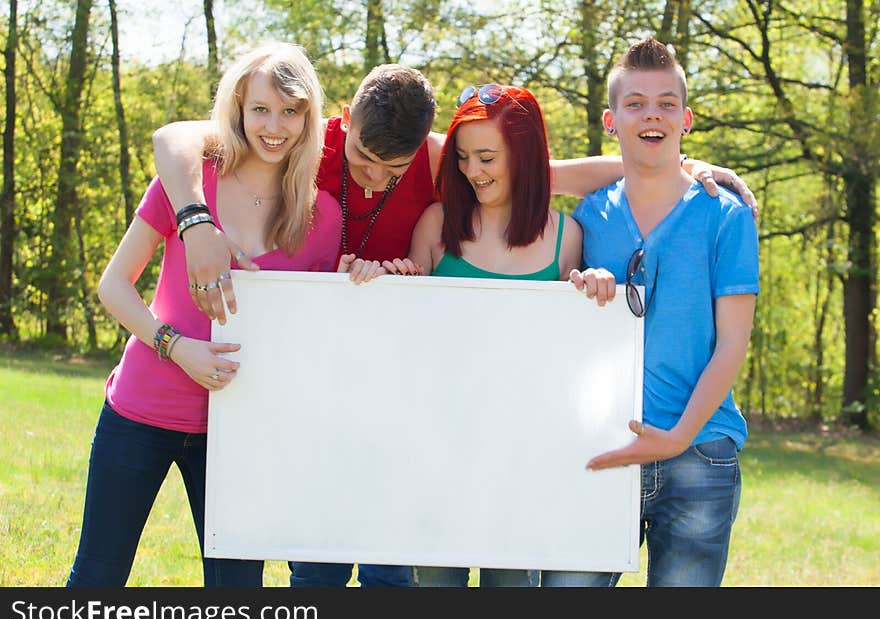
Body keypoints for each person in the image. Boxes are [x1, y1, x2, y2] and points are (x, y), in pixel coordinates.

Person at [150, 65, 758, 588]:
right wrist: (195, 218)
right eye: (363, 159)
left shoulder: (501, 194)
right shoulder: (309, 142)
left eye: (394, 166)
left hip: (493, 445)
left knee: (455, 574)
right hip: (353, 384)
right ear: (344, 124)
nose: (374, 176)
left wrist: (675, 163)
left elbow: (548, 175)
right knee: (334, 557)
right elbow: (176, 138)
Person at [66, 42, 344, 586]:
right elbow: (114, 287)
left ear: (309, 119)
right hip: (140, 412)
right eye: (262, 108)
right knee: (96, 582)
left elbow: (314, 334)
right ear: (238, 107)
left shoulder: (323, 218)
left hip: (240, 430)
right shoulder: (191, 184)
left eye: (291, 112)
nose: (275, 126)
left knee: (236, 595)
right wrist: (176, 346)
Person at [547, 38, 759, 587]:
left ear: (685, 119)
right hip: (603, 444)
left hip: (700, 451)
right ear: (610, 119)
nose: (652, 114)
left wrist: (678, 435)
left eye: (667, 103)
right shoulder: (588, 218)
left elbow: (733, 342)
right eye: (635, 102)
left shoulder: (725, 215)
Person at [381, 84, 582, 586]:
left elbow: (569, 357)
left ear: (526, 155)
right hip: (438, 453)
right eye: (464, 157)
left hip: (522, 461)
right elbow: (402, 337)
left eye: (487, 157)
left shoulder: (567, 238)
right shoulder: (437, 223)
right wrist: (396, 284)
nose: (473, 171)